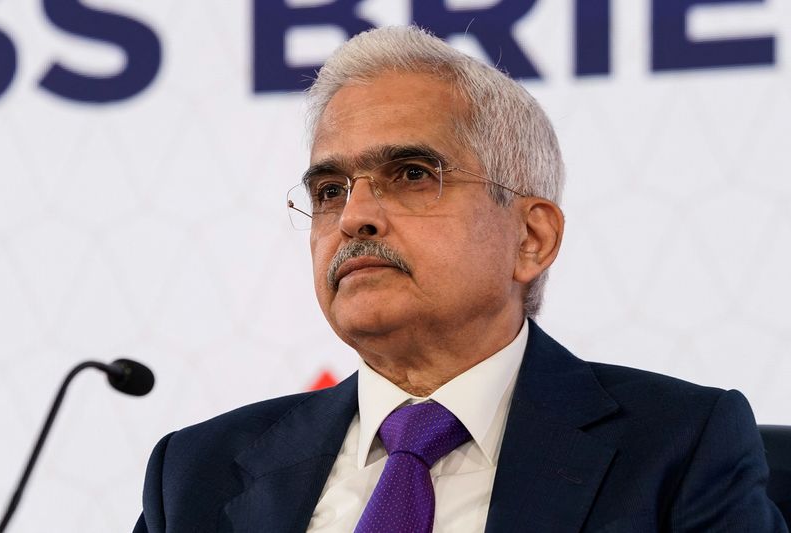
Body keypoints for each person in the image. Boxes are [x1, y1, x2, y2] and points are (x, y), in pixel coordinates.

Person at [134, 26, 786, 532]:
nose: (355, 216)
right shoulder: (198, 474)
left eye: (412, 174)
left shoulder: (677, 448)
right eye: (330, 189)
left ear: (531, 238)